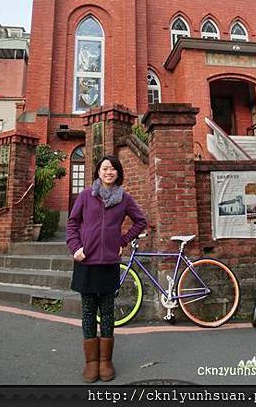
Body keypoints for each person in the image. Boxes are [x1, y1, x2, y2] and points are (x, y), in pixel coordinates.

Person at [66, 155, 147, 383]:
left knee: (108, 312)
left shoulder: (124, 199)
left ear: (118, 173)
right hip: (86, 261)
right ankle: (91, 362)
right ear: (98, 172)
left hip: (109, 262)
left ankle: (105, 361)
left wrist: (122, 241)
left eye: (112, 169)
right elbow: (72, 223)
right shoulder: (86, 196)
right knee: (88, 311)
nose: (108, 172)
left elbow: (141, 221)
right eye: (104, 168)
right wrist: (75, 247)